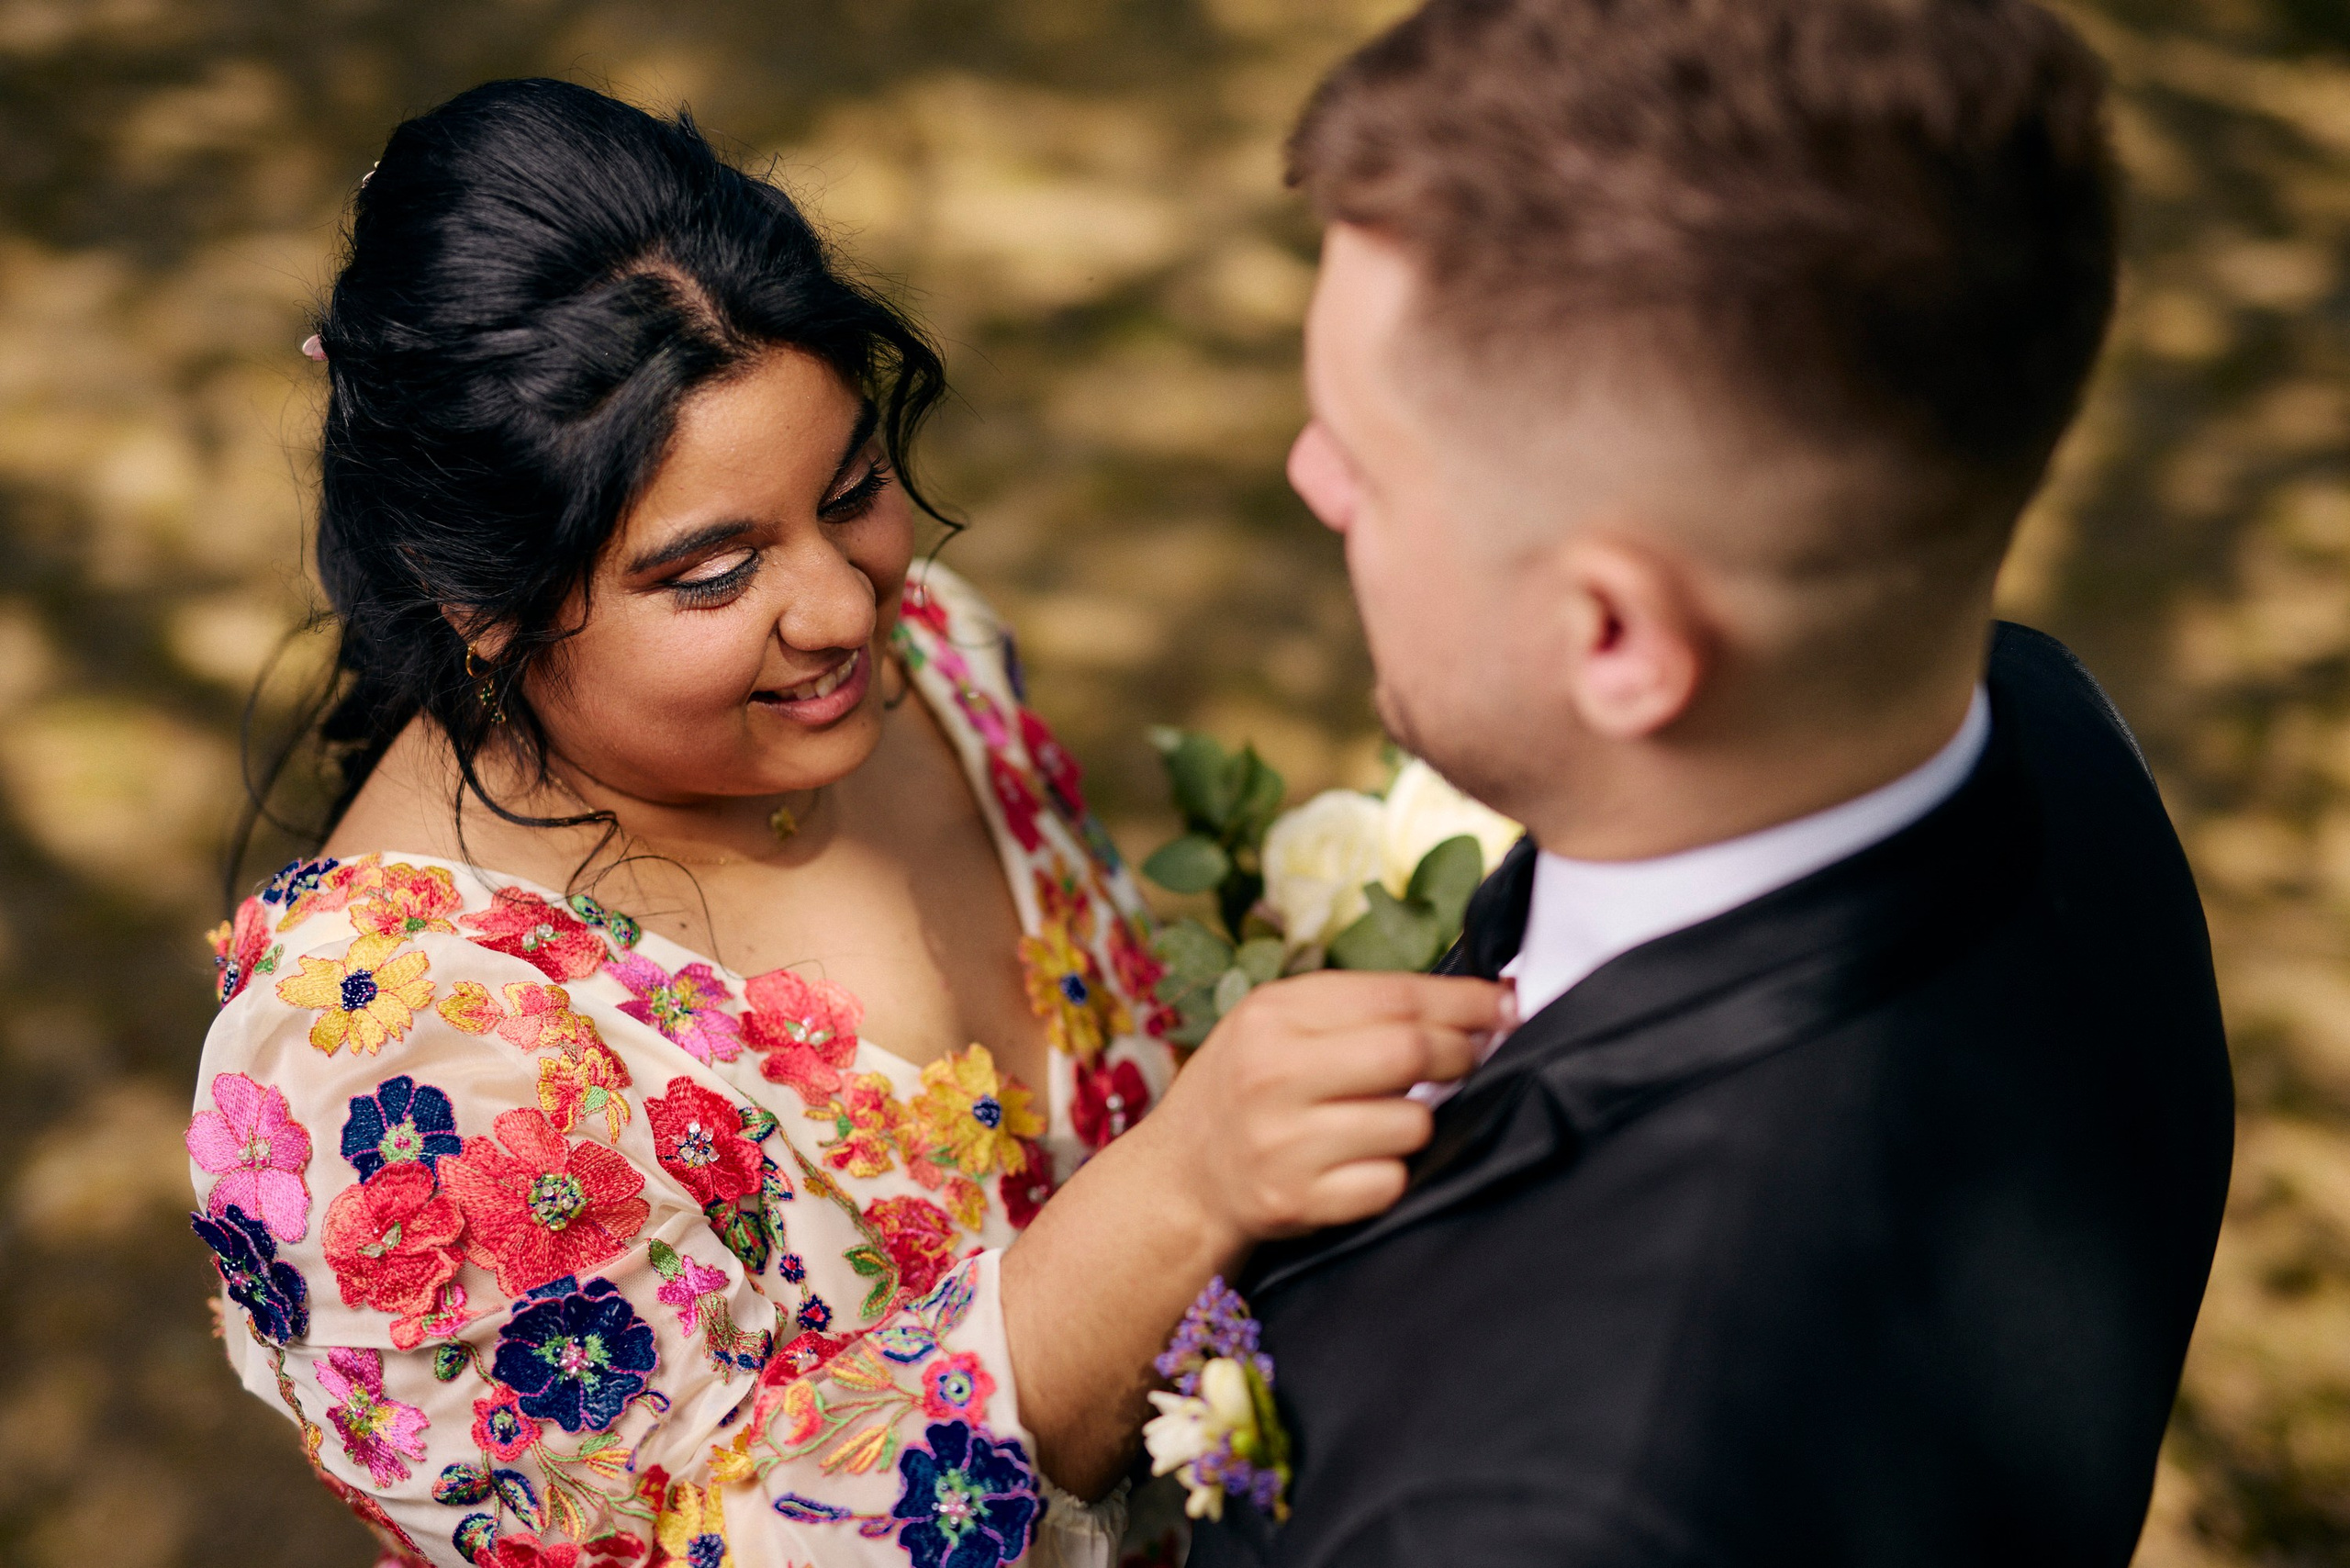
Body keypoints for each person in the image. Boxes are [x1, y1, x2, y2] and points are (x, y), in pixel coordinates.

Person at [186, 79, 1509, 1568]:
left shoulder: (935, 663)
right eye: (711, 573)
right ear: (479, 603)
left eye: (855, 489)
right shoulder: (385, 1069)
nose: (843, 606)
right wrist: (1187, 1185)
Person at [1185, 1, 2235, 1563]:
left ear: (1614, 639)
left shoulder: (1566, 1498)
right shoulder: (2048, 729)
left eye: (1364, 455)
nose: (1308, 476)